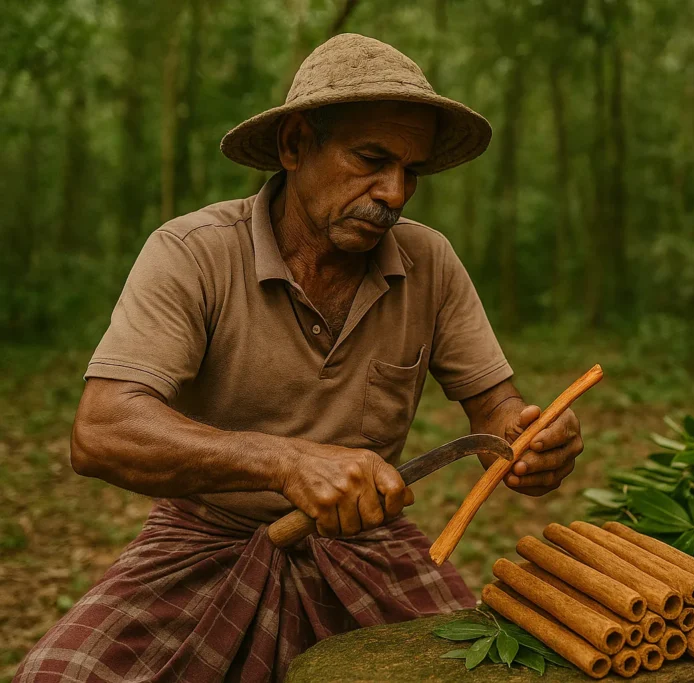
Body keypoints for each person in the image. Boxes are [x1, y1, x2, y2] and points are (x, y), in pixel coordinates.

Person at [15, 33, 584, 682]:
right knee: (59, 675)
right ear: (294, 146)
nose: (394, 193)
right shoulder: (193, 254)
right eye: (371, 158)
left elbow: (497, 412)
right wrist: (284, 460)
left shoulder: (431, 264)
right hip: (205, 537)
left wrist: (525, 439)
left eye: (412, 172)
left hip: (369, 546)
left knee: (480, 674)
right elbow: (101, 429)